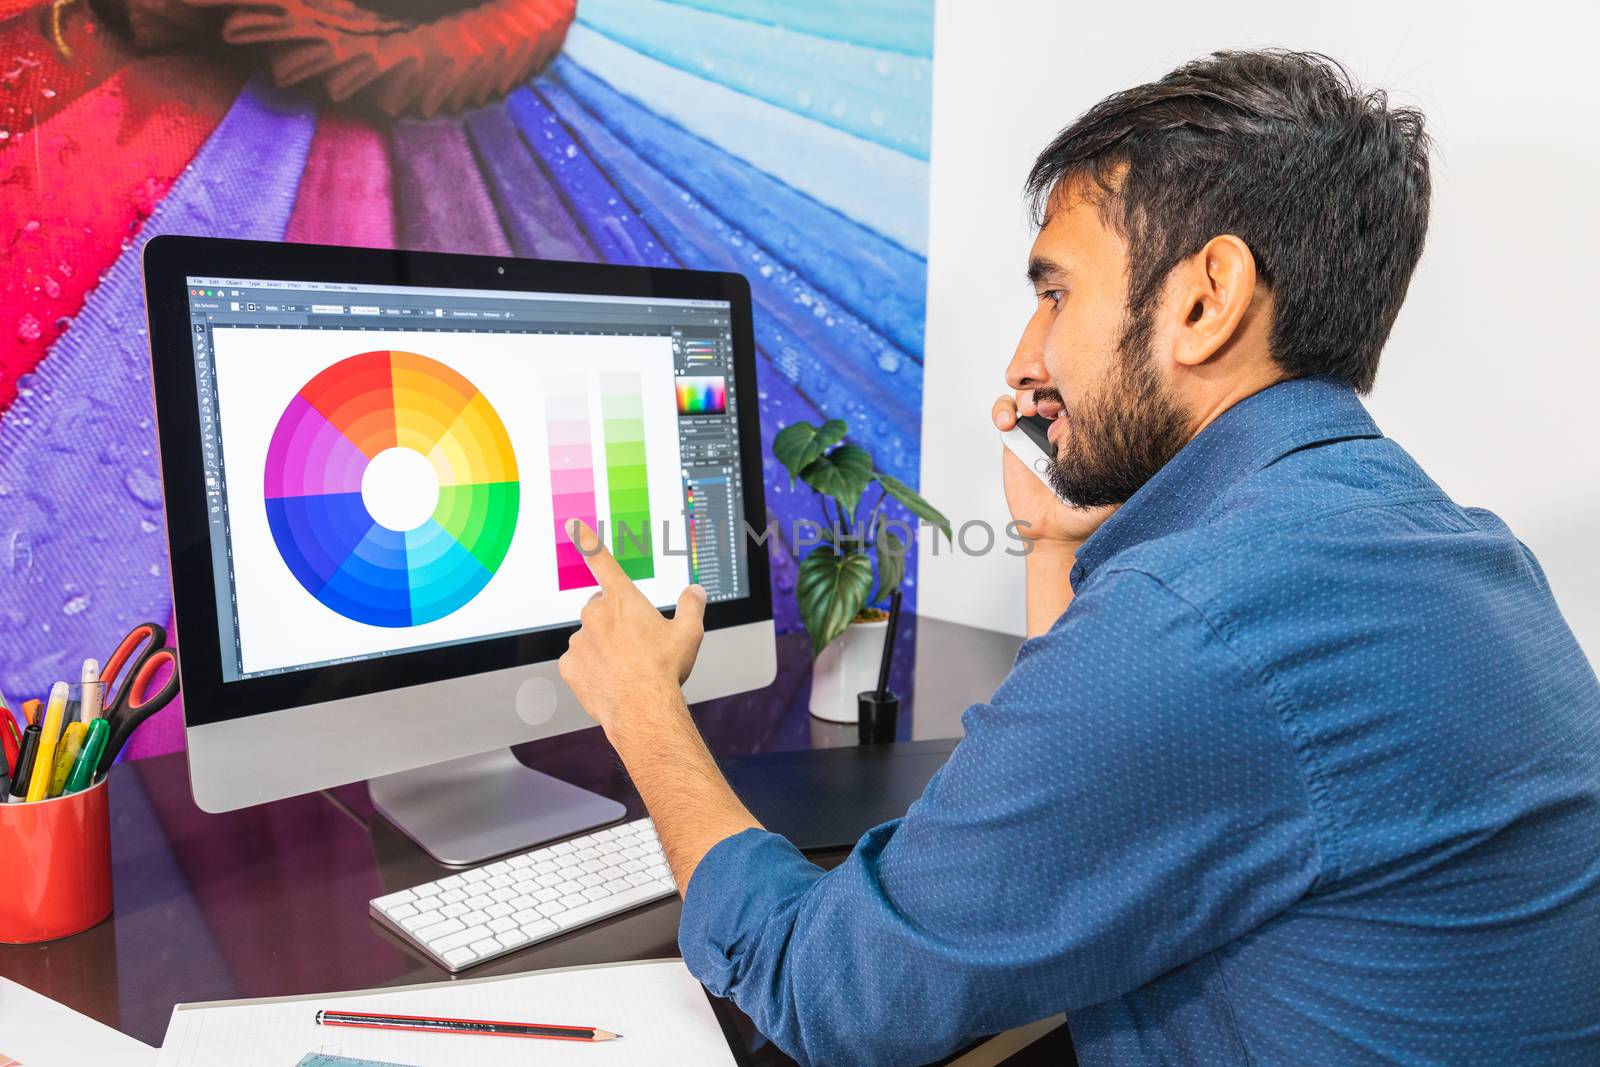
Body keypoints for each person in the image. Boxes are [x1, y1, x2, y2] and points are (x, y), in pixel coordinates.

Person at [556, 50, 1600, 1066]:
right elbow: (1127, 801)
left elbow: (830, 995)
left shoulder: (1198, 618)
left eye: (1054, 292)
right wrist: (1051, 547)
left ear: (1205, 299)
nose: (1023, 358)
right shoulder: (1451, 548)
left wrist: (641, 704)